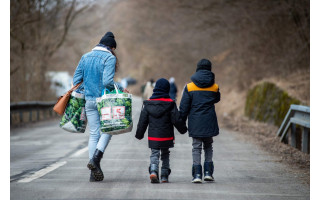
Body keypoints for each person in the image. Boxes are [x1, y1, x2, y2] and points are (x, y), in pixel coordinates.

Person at [73, 31, 128, 182]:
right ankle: (96, 160)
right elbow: (107, 82)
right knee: (109, 129)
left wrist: (87, 86)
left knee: (94, 134)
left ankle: (93, 172)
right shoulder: (109, 57)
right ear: (111, 47)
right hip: (104, 101)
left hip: (88, 100)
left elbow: (76, 79)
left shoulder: (85, 56)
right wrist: (120, 87)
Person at [135, 78, 187, 183]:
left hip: (153, 136)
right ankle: (164, 175)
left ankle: (153, 170)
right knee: (165, 153)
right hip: (166, 136)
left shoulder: (148, 104)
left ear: (155, 89)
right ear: (167, 89)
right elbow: (176, 119)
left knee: (154, 153)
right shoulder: (170, 104)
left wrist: (139, 134)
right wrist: (183, 129)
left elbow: (142, 121)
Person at [179, 58, 220, 183]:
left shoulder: (189, 87)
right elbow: (217, 99)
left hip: (195, 122)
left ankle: (197, 174)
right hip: (209, 121)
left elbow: (184, 107)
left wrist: (181, 122)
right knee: (208, 146)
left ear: (197, 69)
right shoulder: (215, 87)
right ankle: (208, 173)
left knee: (196, 147)